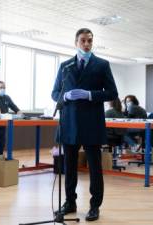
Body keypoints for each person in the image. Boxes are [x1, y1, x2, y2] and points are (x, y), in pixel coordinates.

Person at [51, 28, 118, 221]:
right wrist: (65, 96)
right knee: (69, 166)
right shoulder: (66, 66)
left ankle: (95, 205)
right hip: (69, 122)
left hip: (91, 122)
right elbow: (55, 92)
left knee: (95, 167)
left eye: (89, 40)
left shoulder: (102, 65)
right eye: (83, 41)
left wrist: (90, 95)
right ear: (76, 42)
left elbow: (112, 93)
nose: (86, 44)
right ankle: (69, 202)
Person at [0, 81, 21, 155]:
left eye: (4, 88)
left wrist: (21, 114)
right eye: (0, 87)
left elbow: (15, 107)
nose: (2, 89)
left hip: (2, 126)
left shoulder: (7, 97)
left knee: (1, 146)